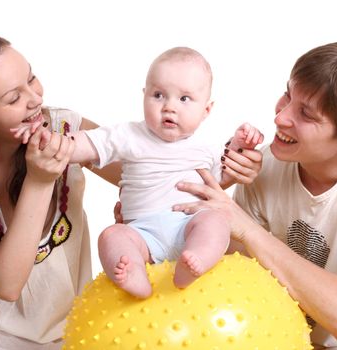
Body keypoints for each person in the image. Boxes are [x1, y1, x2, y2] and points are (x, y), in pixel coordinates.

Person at [0, 32, 261, 349]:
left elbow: (163, 172)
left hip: (74, 327)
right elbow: (6, 285)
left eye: (31, 78)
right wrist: (40, 181)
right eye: (13, 97)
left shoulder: (64, 128)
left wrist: (230, 166)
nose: (36, 98)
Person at [173, 42, 337, 349]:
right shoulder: (267, 165)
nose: (281, 116)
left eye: (305, 114)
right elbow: (233, 276)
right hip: (287, 338)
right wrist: (156, 225)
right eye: (287, 95)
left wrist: (244, 226)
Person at [19, 47, 262, 298]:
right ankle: (133, 271)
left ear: (206, 110)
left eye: (184, 99)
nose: (169, 107)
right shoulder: (128, 135)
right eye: (158, 95)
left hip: (189, 225)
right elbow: (84, 145)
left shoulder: (208, 148)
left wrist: (241, 146)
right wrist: (48, 140)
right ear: (143, 95)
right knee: (111, 235)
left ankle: (196, 258)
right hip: (142, 233)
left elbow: (221, 178)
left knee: (216, 221)